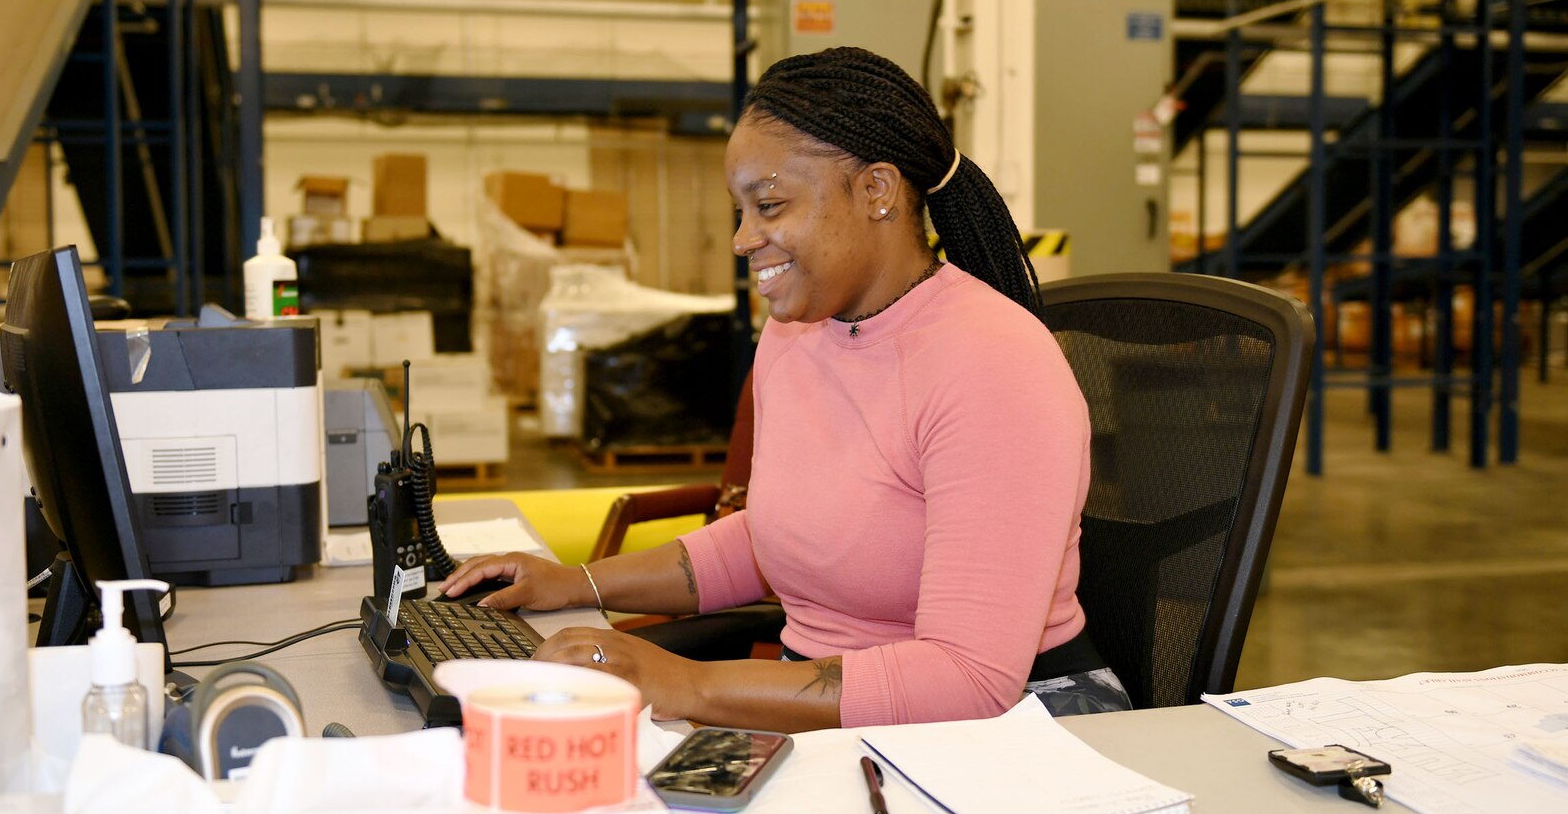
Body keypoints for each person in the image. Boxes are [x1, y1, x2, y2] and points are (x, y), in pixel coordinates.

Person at [443, 46, 1130, 730]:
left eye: (768, 204)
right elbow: (779, 539)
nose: (744, 239)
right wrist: (577, 582)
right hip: (845, 713)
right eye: (740, 210)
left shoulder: (992, 363)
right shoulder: (797, 335)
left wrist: (686, 685)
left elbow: (965, 678)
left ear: (877, 191)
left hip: (1009, 731)